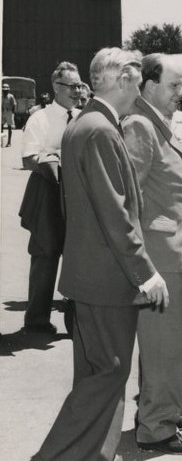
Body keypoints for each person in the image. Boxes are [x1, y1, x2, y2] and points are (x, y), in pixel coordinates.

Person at [26, 47, 168, 461]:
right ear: (124, 79)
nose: (142, 87)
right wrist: (146, 272)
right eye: (139, 78)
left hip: (89, 276)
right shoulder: (100, 129)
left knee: (97, 372)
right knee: (108, 373)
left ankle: (100, 460)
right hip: (107, 279)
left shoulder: (85, 123)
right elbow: (115, 212)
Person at [121, 53, 182, 455]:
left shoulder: (156, 123)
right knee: (165, 347)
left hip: (176, 252)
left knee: (167, 346)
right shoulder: (140, 125)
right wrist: (140, 260)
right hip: (163, 255)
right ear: (149, 85)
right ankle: (156, 428)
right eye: (174, 85)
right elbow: (126, 195)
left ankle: (162, 408)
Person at [19, 62, 82, 334]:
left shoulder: (82, 116)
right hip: (47, 191)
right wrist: (54, 156)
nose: (77, 91)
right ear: (56, 87)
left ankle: (77, 321)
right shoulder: (40, 118)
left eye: (80, 85)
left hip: (77, 194)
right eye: (72, 86)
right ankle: (36, 321)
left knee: (78, 256)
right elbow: (28, 158)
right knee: (45, 256)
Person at [2, 82, 16, 147]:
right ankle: (1, 141)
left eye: (6, 90)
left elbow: (14, 104)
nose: (5, 91)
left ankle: (9, 142)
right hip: (2, 112)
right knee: (1, 126)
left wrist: (13, 113)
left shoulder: (11, 96)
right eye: (4, 90)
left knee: (9, 127)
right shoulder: (1, 96)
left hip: (9, 112)